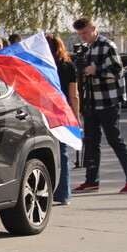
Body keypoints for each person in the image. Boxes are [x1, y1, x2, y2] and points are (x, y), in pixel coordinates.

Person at [71, 16, 127, 194]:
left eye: (85, 32)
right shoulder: (87, 48)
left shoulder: (107, 45)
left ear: (93, 28)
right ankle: (92, 180)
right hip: (92, 101)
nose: (83, 37)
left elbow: (118, 72)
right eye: (80, 34)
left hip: (109, 100)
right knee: (92, 141)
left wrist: (96, 71)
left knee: (114, 139)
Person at [46, 33, 81, 205]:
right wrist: (75, 116)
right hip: (62, 110)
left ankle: (46, 189)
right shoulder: (69, 66)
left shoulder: (41, 66)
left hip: (44, 109)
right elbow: (74, 95)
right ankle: (64, 194)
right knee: (63, 153)